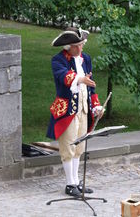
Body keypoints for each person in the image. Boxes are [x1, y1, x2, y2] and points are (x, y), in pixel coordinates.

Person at [47, 27, 104, 197]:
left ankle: (76, 182)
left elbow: (90, 87)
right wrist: (81, 79)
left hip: (83, 109)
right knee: (68, 147)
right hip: (67, 110)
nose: (80, 49)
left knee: (79, 147)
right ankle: (69, 184)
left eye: (82, 45)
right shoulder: (57, 60)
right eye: (76, 46)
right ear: (68, 47)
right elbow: (64, 77)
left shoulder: (85, 59)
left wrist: (96, 106)